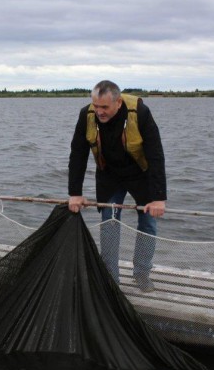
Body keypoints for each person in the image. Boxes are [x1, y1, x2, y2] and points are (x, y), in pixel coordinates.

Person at [68, 80, 166, 292]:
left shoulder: (140, 112)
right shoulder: (87, 115)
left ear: (118, 102)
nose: (99, 112)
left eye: (105, 107)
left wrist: (159, 197)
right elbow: (78, 154)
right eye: (96, 106)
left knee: (148, 223)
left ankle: (142, 274)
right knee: (109, 221)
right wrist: (75, 193)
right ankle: (111, 280)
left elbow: (156, 155)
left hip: (140, 173)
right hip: (109, 174)